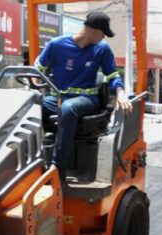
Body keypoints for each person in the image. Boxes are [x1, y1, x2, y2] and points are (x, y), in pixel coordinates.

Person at [34, 11, 132, 175]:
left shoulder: (102, 49)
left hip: (87, 100)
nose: (104, 38)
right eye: (103, 34)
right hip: (59, 99)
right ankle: (34, 158)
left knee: (68, 108)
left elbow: (113, 75)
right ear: (94, 31)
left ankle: (58, 167)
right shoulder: (56, 45)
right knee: (32, 105)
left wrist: (121, 93)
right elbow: (37, 70)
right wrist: (33, 85)